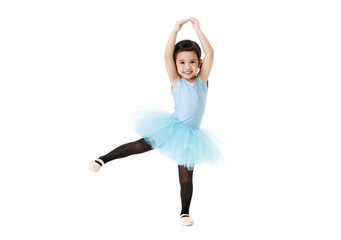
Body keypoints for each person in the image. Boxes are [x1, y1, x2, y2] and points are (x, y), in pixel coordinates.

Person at [88, 18, 224, 226]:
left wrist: (198, 30)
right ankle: (102, 159)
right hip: (172, 128)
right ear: (176, 64)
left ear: (200, 63)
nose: (187, 66)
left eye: (192, 62)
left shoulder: (202, 81)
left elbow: (211, 53)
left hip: (192, 137)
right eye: (182, 62)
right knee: (139, 145)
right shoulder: (175, 81)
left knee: (186, 176)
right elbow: (166, 55)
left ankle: (185, 213)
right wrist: (174, 31)